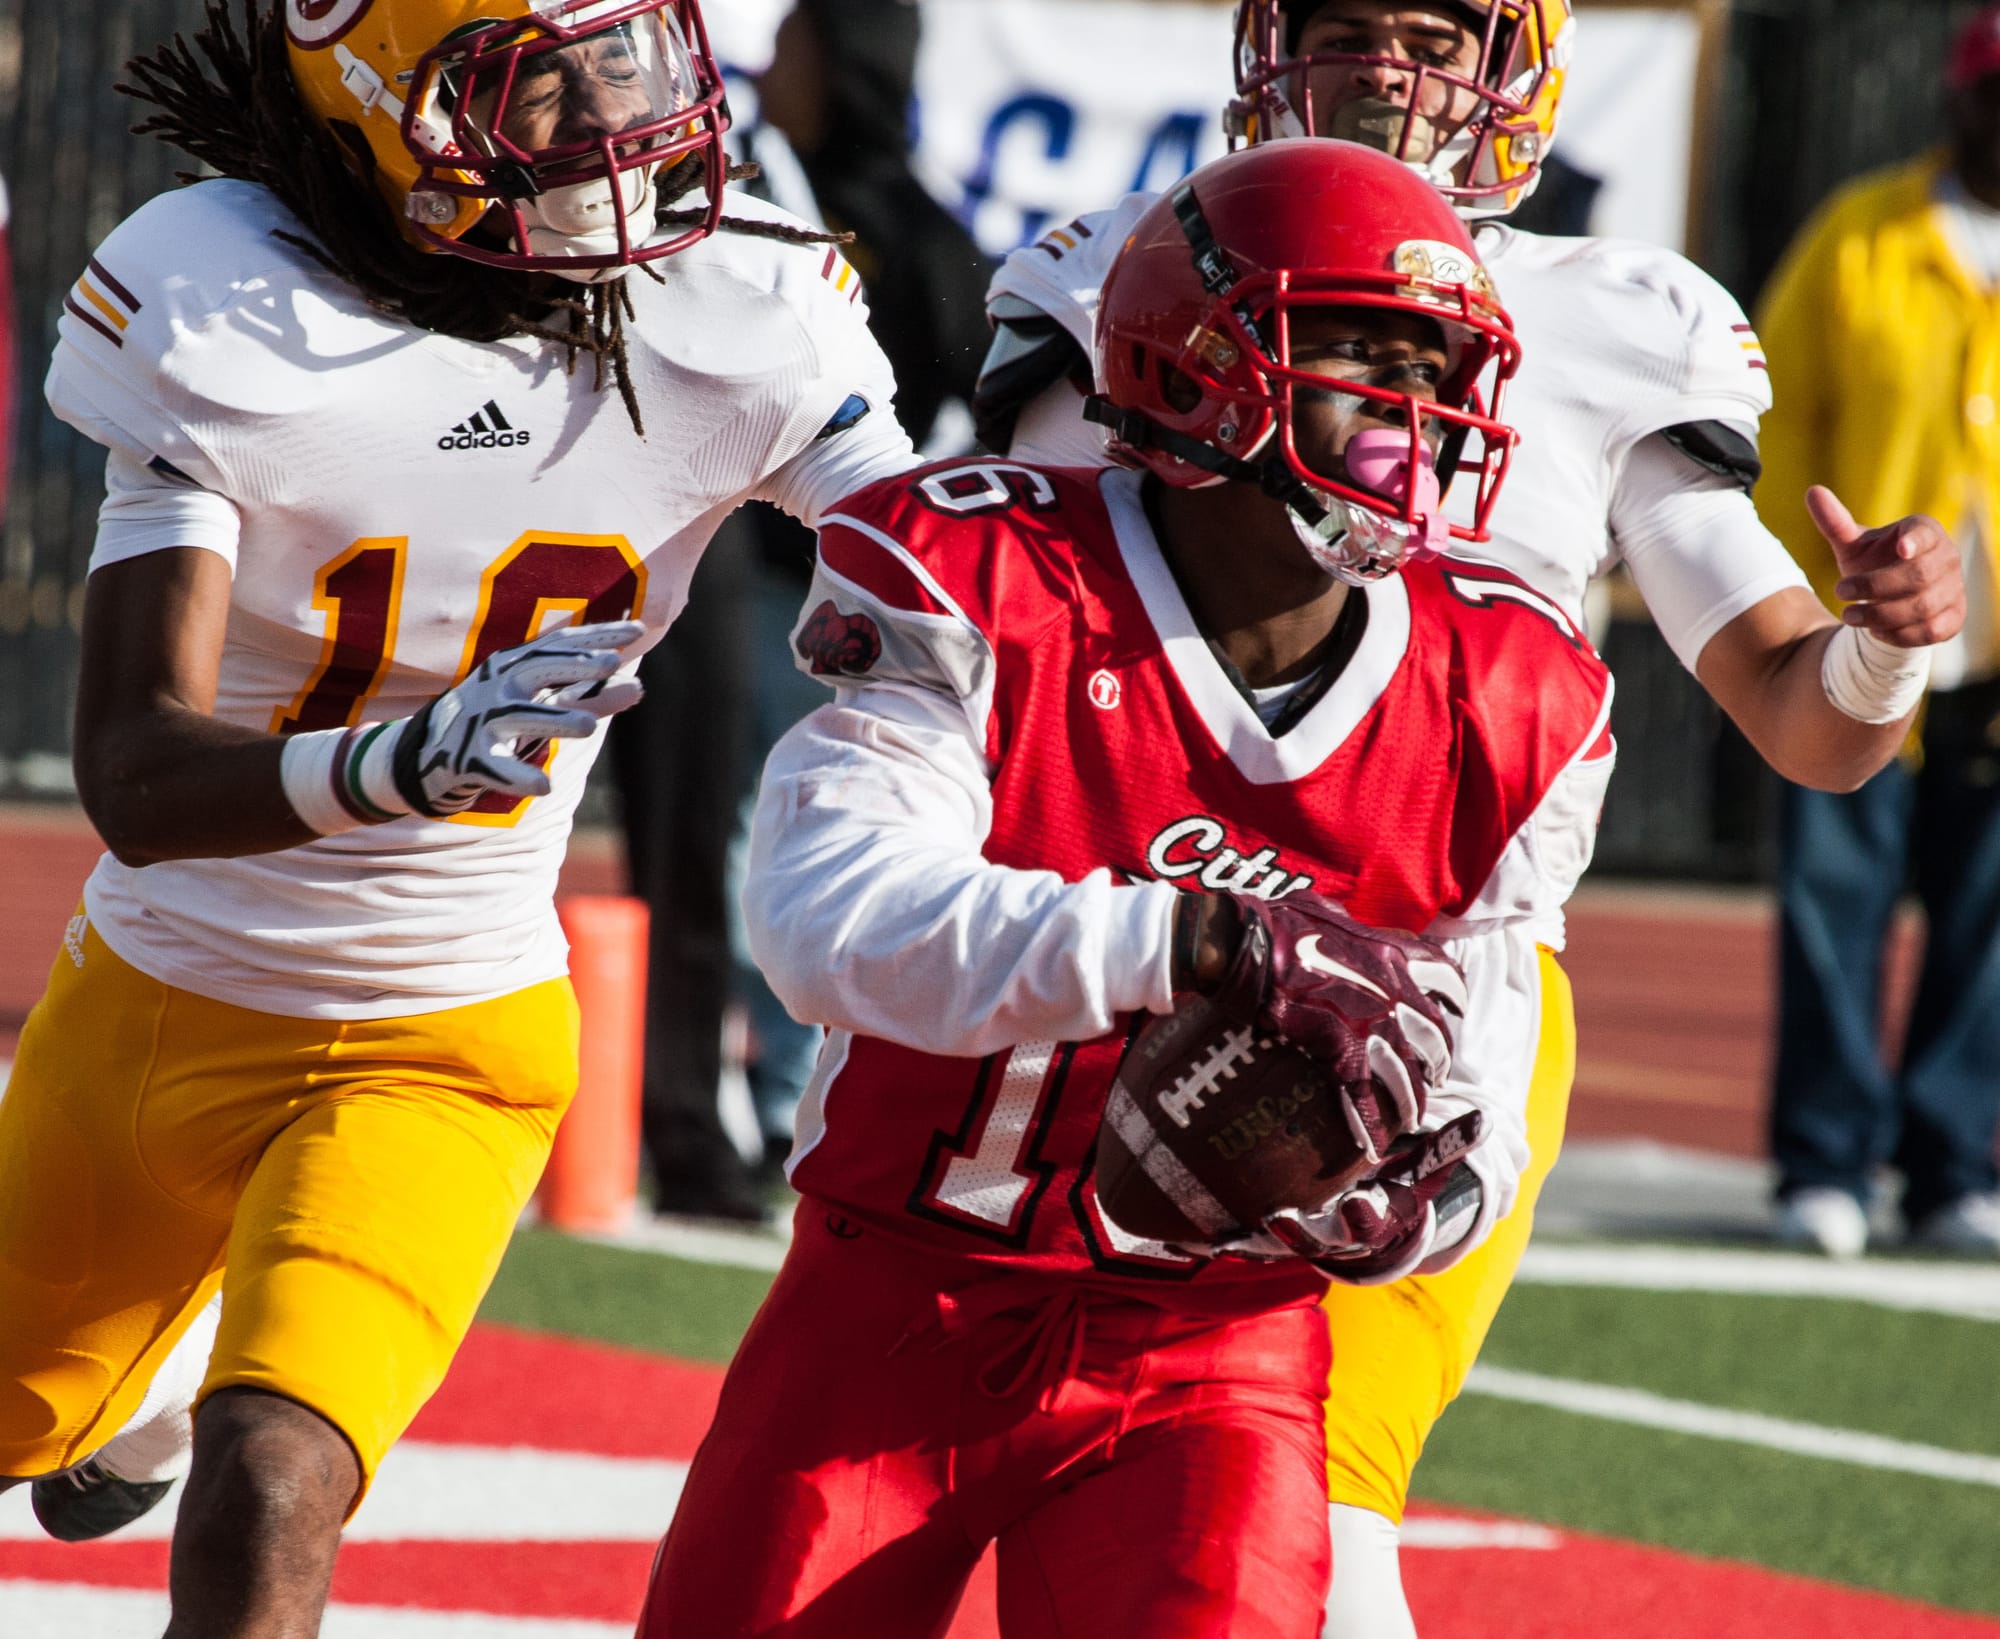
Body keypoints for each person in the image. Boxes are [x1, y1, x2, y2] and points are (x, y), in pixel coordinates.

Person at [970, 3, 1967, 1631]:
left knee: (1310, 1498)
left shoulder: (1604, 314)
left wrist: (1879, 650)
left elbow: (1805, 717)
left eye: (1434, 31)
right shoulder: (1117, 267)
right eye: (1348, 24)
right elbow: (1027, 615)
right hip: (1123, 947)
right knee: (1083, 1506)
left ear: (1521, 65)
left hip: (1430, 995)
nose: (1384, 67)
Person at [0, 0, 912, 1628]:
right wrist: (393, 766)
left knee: (275, 1471)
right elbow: (134, 774)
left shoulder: (742, 305)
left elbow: (943, 576)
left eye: (626, 68)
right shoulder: (226, 294)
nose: (608, 134)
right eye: (539, 88)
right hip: (168, 995)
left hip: (453, 1020)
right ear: (372, 93)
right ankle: (137, 1377)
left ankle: (184, 1383)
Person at [636, 137, 1615, 1637]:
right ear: (1196, 362)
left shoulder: (1510, 688)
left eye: (1438, 363)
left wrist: (1421, 1197)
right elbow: (829, 919)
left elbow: (1477, 1045)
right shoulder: (985, 561)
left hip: (1215, 1352)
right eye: (1356, 347)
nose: (1415, 415)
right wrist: (1186, 938)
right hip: (895, 1303)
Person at [1755, 4, 2000, 1261]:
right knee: (1829, 906)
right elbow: (1777, 419)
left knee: (1986, 917)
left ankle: (1953, 1163)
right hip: (1862, 651)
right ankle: (1823, 1158)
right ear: (1957, 96)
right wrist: (1801, 602)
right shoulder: (1864, 235)